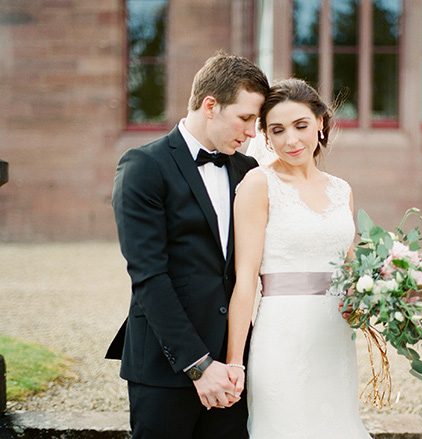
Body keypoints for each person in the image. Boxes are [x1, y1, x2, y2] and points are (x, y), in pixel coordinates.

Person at [106, 53, 269, 439]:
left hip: (234, 369)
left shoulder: (248, 172)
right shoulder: (144, 166)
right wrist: (198, 365)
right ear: (210, 105)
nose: (252, 134)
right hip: (166, 367)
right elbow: (149, 277)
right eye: (245, 119)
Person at [226, 78, 372, 438]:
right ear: (266, 136)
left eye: (301, 126)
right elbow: (245, 282)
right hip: (282, 337)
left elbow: (352, 269)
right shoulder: (258, 184)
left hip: (335, 339)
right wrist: (233, 363)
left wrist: (384, 298)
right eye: (278, 130)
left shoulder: (341, 190)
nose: (291, 140)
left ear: (320, 123)